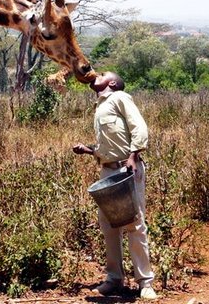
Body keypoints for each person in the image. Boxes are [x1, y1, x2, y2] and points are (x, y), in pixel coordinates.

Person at [72, 71, 157, 300]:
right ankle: (114, 279)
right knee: (108, 224)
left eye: (102, 74)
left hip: (127, 169)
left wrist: (133, 156)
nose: (95, 75)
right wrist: (89, 150)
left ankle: (145, 282)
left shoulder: (120, 98)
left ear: (111, 83)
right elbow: (111, 142)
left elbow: (139, 126)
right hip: (108, 170)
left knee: (135, 224)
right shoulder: (99, 107)